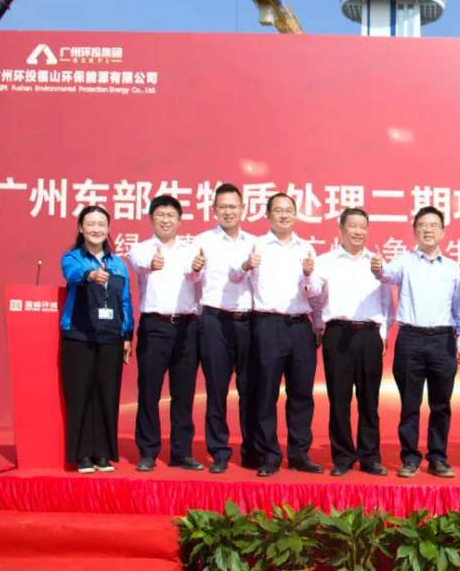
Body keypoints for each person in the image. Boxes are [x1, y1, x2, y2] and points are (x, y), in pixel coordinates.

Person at [373, 206, 460, 478]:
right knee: (410, 404)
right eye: (423, 225)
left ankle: (438, 458)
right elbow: (386, 274)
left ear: (443, 232)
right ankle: (410, 458)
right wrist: (379, 267)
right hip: (411, 340)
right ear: (415, 231)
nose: (428, 229)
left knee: (441, 404)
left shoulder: (452, 268)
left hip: (443, 340)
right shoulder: (404, 262)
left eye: (434, 225)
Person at [230, 192, 323, 477]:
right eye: (278, 210)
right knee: (265, 392)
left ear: (295, 215)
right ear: (268, 215)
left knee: (301, 393)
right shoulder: (256, 245)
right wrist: (246, 265)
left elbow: (314, 292)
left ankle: (299, 454)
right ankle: (268, 455)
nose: (284, 215)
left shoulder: (306, 248)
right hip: (267, 325)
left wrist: (308, 275)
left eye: (288, 210)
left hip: (300, 326)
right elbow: (234, 277)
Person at [309, 208, 392, 477]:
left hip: (369, 334)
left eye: (363, 227)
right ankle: (343, 456)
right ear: (341, 228)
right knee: (339, 399)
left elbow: (386, 303)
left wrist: (383, 335)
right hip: (338, 334)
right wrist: (319, 327)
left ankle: (370, 457)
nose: (358, 231)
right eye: (353, 226)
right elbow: (315, 299)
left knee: (369, 400)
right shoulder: (325, 261)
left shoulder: (377, 263)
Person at [128, 195, 203, 472]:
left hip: (187, 326)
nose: (165, 220)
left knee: (183, 393)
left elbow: (195, 276)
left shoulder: (190, 249)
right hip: (155, 326)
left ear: (179, 220)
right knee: (149, 391)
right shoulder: (140, 249)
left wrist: (196, 268)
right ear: (151, 218)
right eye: (160, 215)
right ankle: (148, 451)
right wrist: (152, 261)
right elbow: (141, 263)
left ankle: (181, 452)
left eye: (171, 215)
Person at [60, 205, 133, 473]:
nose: (96, 229)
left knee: (107, 394)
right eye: (90, 224)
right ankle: (81, 454)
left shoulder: (118, 264)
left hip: (111, 337)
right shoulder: (73, 258)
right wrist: (90, 275)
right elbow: (71, 273)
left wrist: (127, 334)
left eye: (101, 224)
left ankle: (103, 453)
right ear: (81, 228)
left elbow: (125, 301)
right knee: (80, 394)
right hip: (79, 335)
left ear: (108, 228)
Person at [193, 183, 258, 473]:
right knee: (216, 389)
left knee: (250, 389)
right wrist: (195, 268)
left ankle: (251, 450)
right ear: (214, 210)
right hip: (214, 320)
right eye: (223, 207)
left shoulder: (255, 243)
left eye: (233, 206)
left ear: (242, 209)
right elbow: (192, 279)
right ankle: (219, 450)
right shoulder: (202, 242)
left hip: (249, 321)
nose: (228, 211)